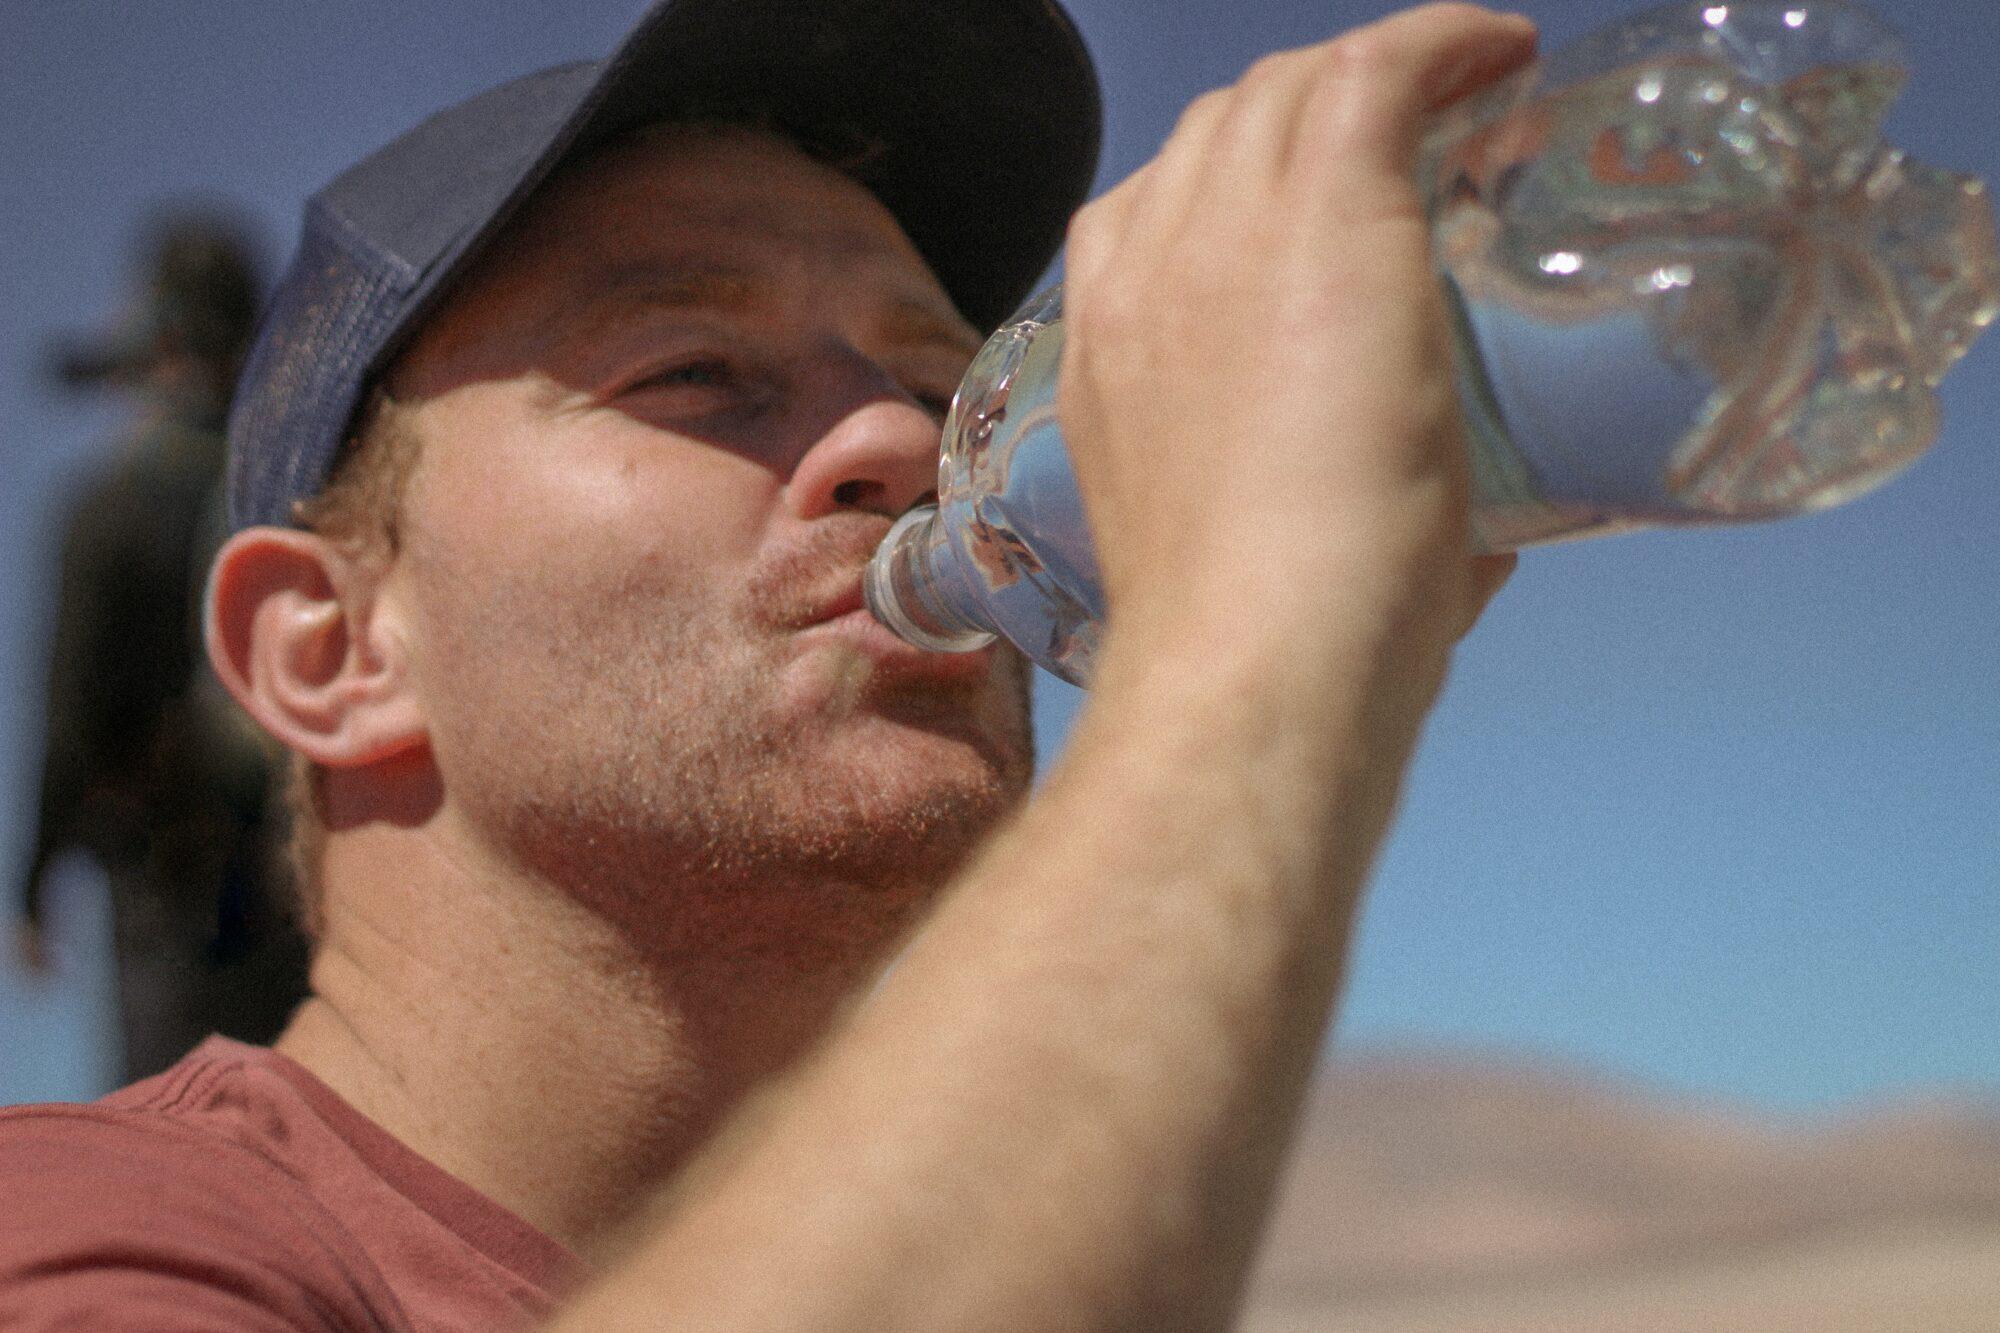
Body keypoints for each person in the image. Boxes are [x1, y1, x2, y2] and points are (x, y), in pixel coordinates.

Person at [0, 0, 1523, 1327]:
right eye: (699, 372)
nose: (905, 446)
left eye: (946, 384)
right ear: (327, 651)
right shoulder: (89, 1236)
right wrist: (1248, 671)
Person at [13, 209, 309, 1083]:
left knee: (174, 1119)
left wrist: (34, 884)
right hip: (301, 875)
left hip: (166, 879)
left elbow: (70, 714)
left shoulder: (107, 510)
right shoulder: (301, 496)